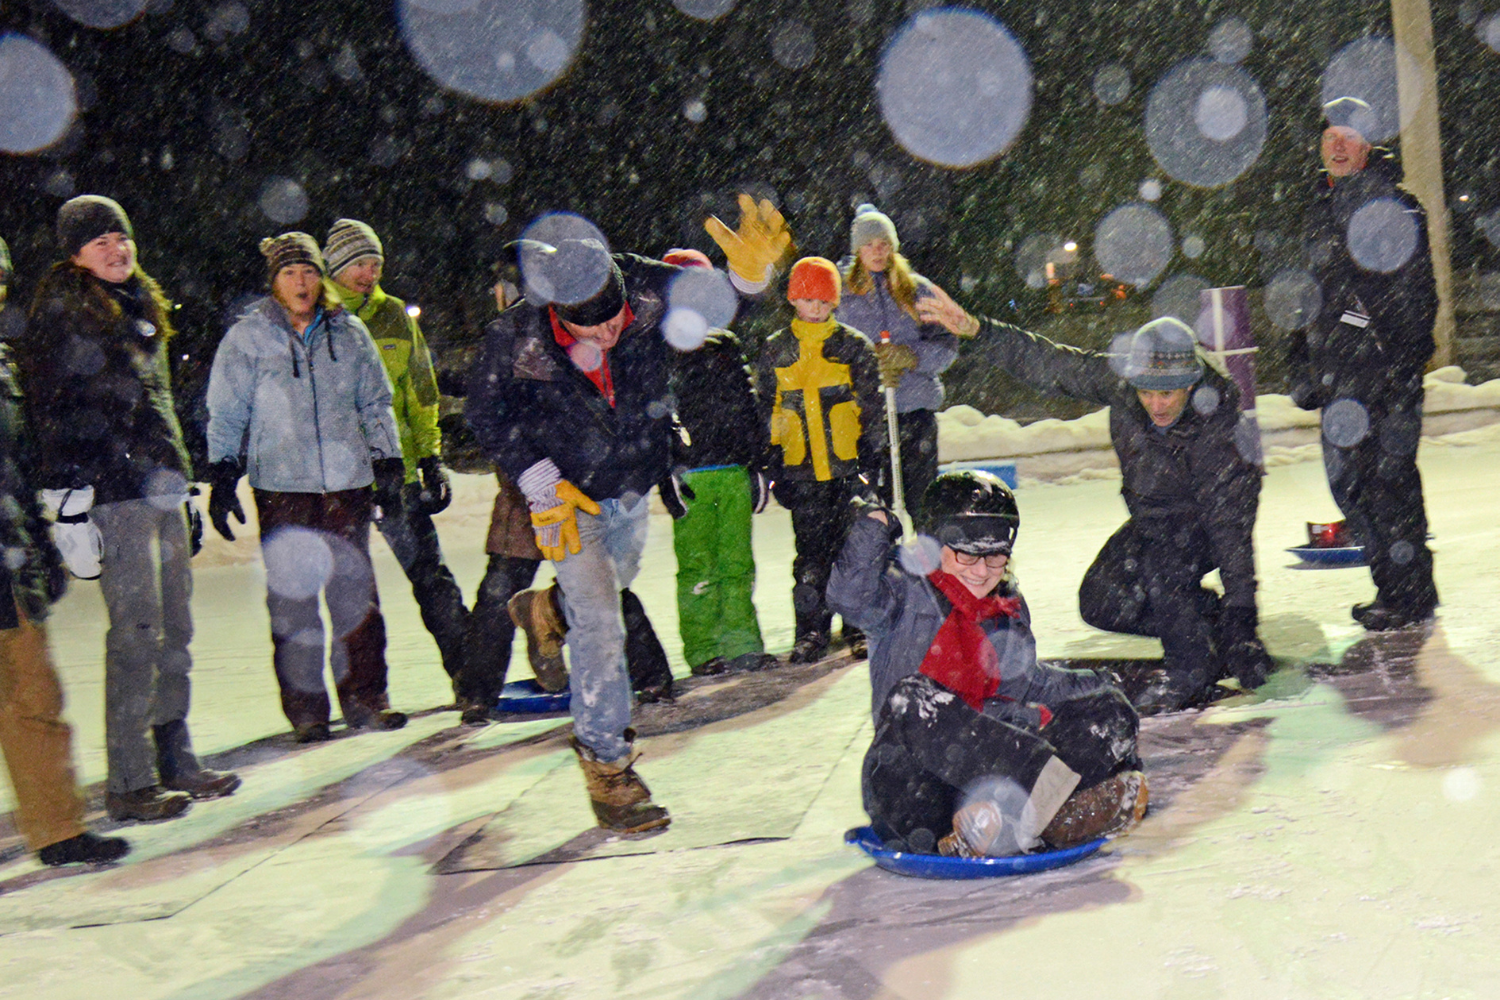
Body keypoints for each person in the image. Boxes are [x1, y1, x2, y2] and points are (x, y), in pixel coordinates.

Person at [920, 289, 1270, 713]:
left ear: (1192, 383)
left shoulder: (1219, 424)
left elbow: (1229, 529)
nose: (1156, 405)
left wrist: (1243, 619)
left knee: (1166, 574)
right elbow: (1053, 365)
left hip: (1208, 520)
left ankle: (1190, 670)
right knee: (1101, 599)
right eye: (1146, 392)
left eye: (1168, 394)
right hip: (1153, 519)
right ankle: (1206, 628)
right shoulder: (1120, 383)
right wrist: (979, 329)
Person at [20, 196, 239, 822]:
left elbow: (159, 407)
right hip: (113, 496)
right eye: (101, 242)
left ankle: (176, 755)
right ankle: (129, 779)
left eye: (123, 237)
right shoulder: (63, 318)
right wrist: (68, 503)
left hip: (160, 489)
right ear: (75, 254)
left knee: (178, 625)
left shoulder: (143, 305)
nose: (117, 249)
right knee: (137, 632)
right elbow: (53, 414)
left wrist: (185, 488)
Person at [466, 237, 688, 833]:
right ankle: (607, 763)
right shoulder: (516, 337)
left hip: (630, 478)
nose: (608, 337)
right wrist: (539, 479)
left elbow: (715, 304)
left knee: (612, 590)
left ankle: (545, 610)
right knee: (601, 622)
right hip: (567, 490)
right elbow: (485, 414)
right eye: (590, 333)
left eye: (614, 323)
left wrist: (747, 279)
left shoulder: (646, 286)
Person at [829, 470, 1147, 857]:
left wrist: (1102, 687)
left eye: (995, 555)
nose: (982, 571)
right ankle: (1048, 810)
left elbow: (1028, 683)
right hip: (915, 794)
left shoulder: (1004, 608)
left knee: (1109, 710)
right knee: (912, 698)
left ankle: (997, 823)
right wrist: (874, 528)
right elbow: (849, 598)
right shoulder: (901, 592)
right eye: (967, 553)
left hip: (990, 783)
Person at [205, 232, 408, 742]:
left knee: (355, 598)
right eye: (291, 273)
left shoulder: (351, 333)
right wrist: (223, 472)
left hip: (347, 485)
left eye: (311, 272)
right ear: (273, 281)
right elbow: (227, 411)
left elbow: (376, 403)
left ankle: (367, 699)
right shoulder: (247, 339)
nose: (303, 282)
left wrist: (388, 461)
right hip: (282, 488)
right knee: (294, 604)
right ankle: (308, 711)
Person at [0, 245, 129, 866]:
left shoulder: (5, 365)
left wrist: (41, 543)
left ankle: (56, 831)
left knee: (34, 696)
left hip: (9, 557)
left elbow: (18, 465)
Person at [1290, 96, 1439, 631]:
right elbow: (1302, 297)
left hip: (1382, 376)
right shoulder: (1317, 209)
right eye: (1330, 131)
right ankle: (1392, 586)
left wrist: (1402, 365)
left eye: (1349, 134)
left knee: (1389, 485)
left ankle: (1410, 594)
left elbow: (1417, 294)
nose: (1336, 141)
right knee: (1349, 486)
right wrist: (1301, 368)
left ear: (1368, 146)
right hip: (1337, 381)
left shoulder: (1392, 207)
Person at [323, 219, 469, 681]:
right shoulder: (316, 316)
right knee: (352, 592)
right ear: (335, 266)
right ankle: (365, 695)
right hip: (341, 480)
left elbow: (421, 391)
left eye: (375, 263)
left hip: (399, 474)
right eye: (359, 264)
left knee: (432, 579)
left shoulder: (394, 317)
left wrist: (431, 458)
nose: (369, 273)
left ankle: (471, 678)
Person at [756, 256, 885, 664]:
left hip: (847, 469)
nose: (815, 308)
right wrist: (773, 465)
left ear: (834, 302)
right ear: (794, 300)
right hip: (802, 472)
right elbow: (766, 410)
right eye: (807, 299)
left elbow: (872, 406)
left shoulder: (852, 346)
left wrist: (871, 457)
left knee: (854, 552)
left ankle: (857, 626)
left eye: (823, 301)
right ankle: (811, 630)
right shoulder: (777, 349)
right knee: (810, 556)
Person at [659, 247, 776, 677]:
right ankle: (704, 649)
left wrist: (759, 464)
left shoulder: (726, 344)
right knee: (697, 567)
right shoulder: (658, 349)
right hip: (690, 477)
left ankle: (743, 643)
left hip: (732, 471)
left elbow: (748, 408)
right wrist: (665, 467)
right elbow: (656, 414)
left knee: (736, 564)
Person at [836, 204, 968, 509]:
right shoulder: (841, 294)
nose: (877, 251)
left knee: (922, 504)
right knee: (872, 511)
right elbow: (830, 350)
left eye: (884, 244)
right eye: (869, 244)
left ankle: (923, 555)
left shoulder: (918, 290)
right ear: (857, 249)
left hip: (914, 416)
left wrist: (911, 357)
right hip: (863, 419)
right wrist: (866, 368)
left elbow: (947, 348)